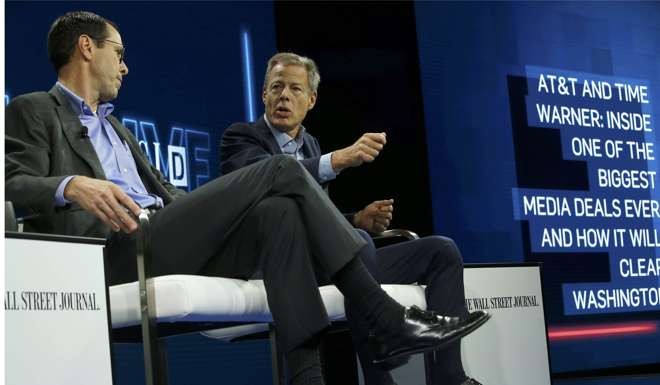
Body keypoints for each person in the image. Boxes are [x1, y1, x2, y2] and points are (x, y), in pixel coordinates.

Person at [4, 12, 488, 385]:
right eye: (119, 52)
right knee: (277, 169)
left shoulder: (116, 126)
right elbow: (10, 183)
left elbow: (168, 195)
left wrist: (208, 207)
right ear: (87, 48)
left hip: (163, 232)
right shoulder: (34, 108)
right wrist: (72, 186)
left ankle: (307, 377)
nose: (125, 66)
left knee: (279, 215)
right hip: (114, 250)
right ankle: (383, 317)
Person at [220, 52, 487, 385]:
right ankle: (381, 371)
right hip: (284, 266)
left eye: (295, 89)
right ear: (263, 95)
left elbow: (320, 222)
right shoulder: (241, 138)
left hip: (332, 261)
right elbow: (270, 182)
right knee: (359, 247)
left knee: (441, 251)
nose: (284, 96)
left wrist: (357, 219)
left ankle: (450, 377)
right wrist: (339, 160)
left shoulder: (310, 145)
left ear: (311, 99)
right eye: (276, 87)